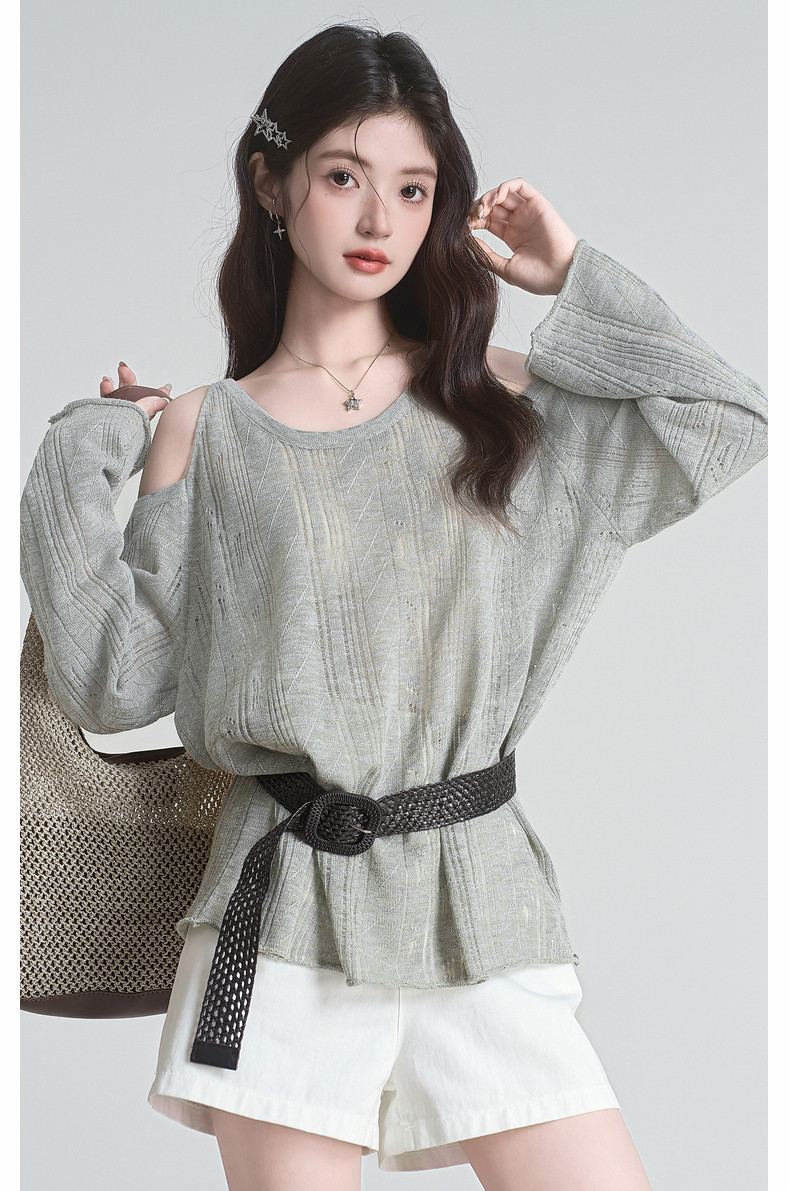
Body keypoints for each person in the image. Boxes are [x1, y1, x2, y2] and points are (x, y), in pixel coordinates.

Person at [19, 20, 766, 1191]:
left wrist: (573, 275)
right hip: (283, 918)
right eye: (342, 177)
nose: (380, 219)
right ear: (271, 184)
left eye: (413, 188)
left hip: (477, 900)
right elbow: (114, 681)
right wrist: (88, 445)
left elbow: (724, 423)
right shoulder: (206, 431)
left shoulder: (500, 402)